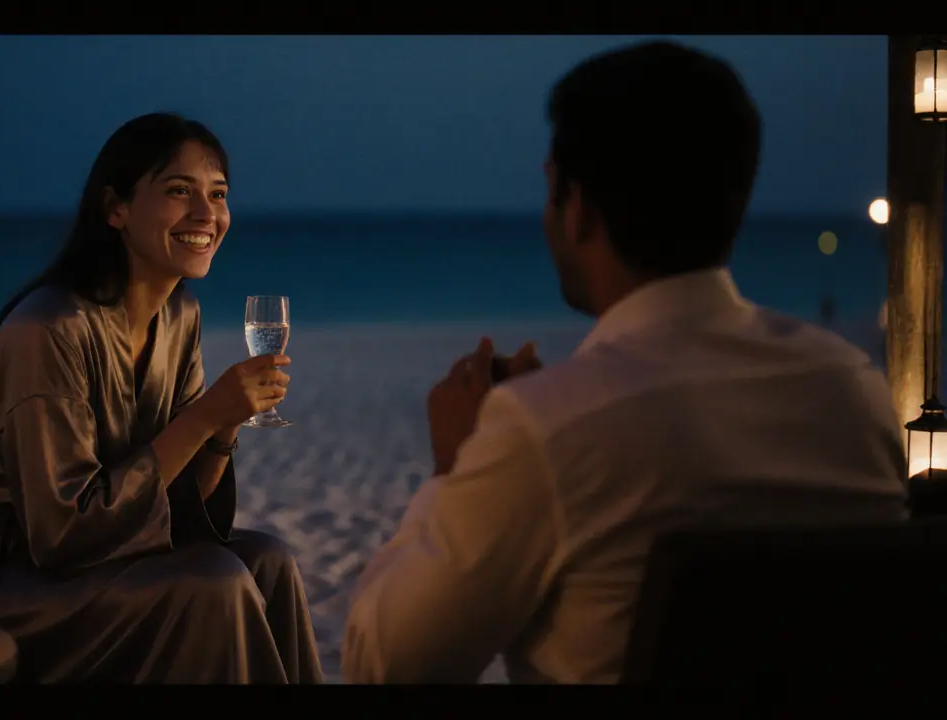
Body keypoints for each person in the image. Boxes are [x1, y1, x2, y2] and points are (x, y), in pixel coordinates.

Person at [341, 41, 908, 684]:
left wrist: (455, 469)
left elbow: (384, 666)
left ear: (578, 208)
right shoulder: (856, 392)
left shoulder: (547, 430)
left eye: (551, 189)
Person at [0, 112, 324, 684]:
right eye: (179, 191)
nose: (207, 214)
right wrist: (204, 416)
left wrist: (222, 427)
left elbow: (184, 509)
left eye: (218, 194)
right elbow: (61, 536)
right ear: (116, 208)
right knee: (213, 584)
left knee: (268, 560)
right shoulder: (48, 332)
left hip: (93, 565)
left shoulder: (180, 315)